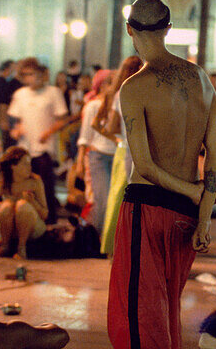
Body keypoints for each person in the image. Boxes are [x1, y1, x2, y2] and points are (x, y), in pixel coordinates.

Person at [103, 0, 216, 349]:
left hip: (150, 209)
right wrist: (204, 214)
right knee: (166, 317)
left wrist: (192, 194)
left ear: (130, 31)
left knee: (134, 320)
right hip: (186, 217)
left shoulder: (135, 87)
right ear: (168, 29)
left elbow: (146, 166)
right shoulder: (200, 78)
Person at [8, 59, 69, 224]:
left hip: (44, 149)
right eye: (25, 75)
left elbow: (62, 119)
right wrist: (17, 129)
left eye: (31, 74)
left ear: (41, 74)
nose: (28, 78)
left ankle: (48, 221)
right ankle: (26, 219)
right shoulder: (20, 94)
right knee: (23, 186)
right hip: (25, 148)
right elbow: (17, 119)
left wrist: (48, 132)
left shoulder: (53, 92)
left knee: (44, 186)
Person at [94, 56, 142, 257]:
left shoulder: (118, 92)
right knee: (135, 200)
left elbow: (110, 127)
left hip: (123, 149)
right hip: (138, 150)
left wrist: (118, 140)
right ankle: (129, 247)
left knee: (117, 201)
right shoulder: (143, 90)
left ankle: (113, 248)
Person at [0, 146, 48, 261]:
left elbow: (45, 214)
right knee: (6, 207)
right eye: (25, 164)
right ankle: (5, 246)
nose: (30, 167)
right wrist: (5, 203)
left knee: (23, 205)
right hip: (11, 230)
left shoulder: (35, 182)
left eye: (30, 164)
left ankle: (22, 248)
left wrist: (32, 202)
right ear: (13, 166)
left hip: (34, 228)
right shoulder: (1, 185)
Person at [76, 69, 115, 235]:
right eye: (112, 82)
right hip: (97, 156)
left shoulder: (118, 104)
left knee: (114, 199)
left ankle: (107, 238)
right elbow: (85, 137)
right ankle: (97, 237)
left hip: (117, 155)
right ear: (103, 85)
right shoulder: (92, 105)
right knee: (101, 198)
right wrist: (80, 162)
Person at [0, 60, 20, 144]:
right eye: (13, 68)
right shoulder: (1, 81)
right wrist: (3, 117)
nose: (14, 70)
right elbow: (2, 100)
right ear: (7, 68)